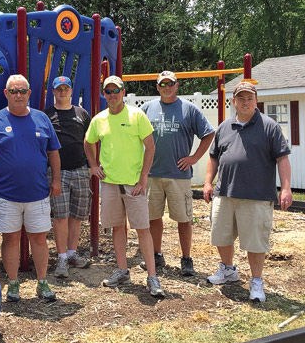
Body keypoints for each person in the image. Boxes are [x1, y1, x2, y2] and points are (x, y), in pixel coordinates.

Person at [203, 81, 292, 302]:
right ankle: (228, 270)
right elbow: (213, 157)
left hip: (257, 196)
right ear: (233, 101)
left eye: (249, 98)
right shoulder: (224, 127)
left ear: (256, 101)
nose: (245, 102)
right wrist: (207, 183)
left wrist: (286, 188)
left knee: (255, 242)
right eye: (240, 98)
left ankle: (256, 281)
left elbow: (282, 158)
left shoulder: (269, 126)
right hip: (225, 193)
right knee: (221, 235)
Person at [0, 74, 61, 302]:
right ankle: (13, 284)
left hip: (38, 193)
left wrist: (56, 180)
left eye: (23, 91)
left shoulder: (42, 119)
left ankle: (42, 283)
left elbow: (53, 152)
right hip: (5, 195)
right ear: (6, 94)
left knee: (40, 239)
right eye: (14, 91)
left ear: (29, 93)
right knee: (10, 239)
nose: (18, 95)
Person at [84, 75, 164, 297]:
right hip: (110, 183)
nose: (112, 95)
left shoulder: (137, 116)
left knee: (142, 229)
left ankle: (152, 277)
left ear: (123, 92)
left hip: (133, 185)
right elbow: (88, 142)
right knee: (117, 227)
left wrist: (143, 177)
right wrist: (93, 166)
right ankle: (122, 270)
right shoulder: (99, 119)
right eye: (108, 92)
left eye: (115, 91)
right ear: (104, 94)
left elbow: (150, 147)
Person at [141, 70, 215, 276]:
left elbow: (209, 134)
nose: (166, 87)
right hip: (152, 174)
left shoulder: (189, 109)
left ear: (177, 85)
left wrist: (194, 158)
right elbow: (136, 137)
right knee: (153, 218)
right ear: (157, 87)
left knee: (184, 219)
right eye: (162, 84)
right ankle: (156, 255)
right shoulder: (147, 108)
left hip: (179, 175)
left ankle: (186, 258)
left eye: (170, 84)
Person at [44, 76, 92, 278]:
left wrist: (91, 166)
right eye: (59, 89)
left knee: (77, 215)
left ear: (71, 91)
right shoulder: (46, 115)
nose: (62, 92)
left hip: (80, 169)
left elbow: (90, 141)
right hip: (57, 172)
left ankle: (72, 253)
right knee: (61, 216)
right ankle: (61, 256)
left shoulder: (82, 114)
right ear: (53, 92)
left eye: (66, 88)